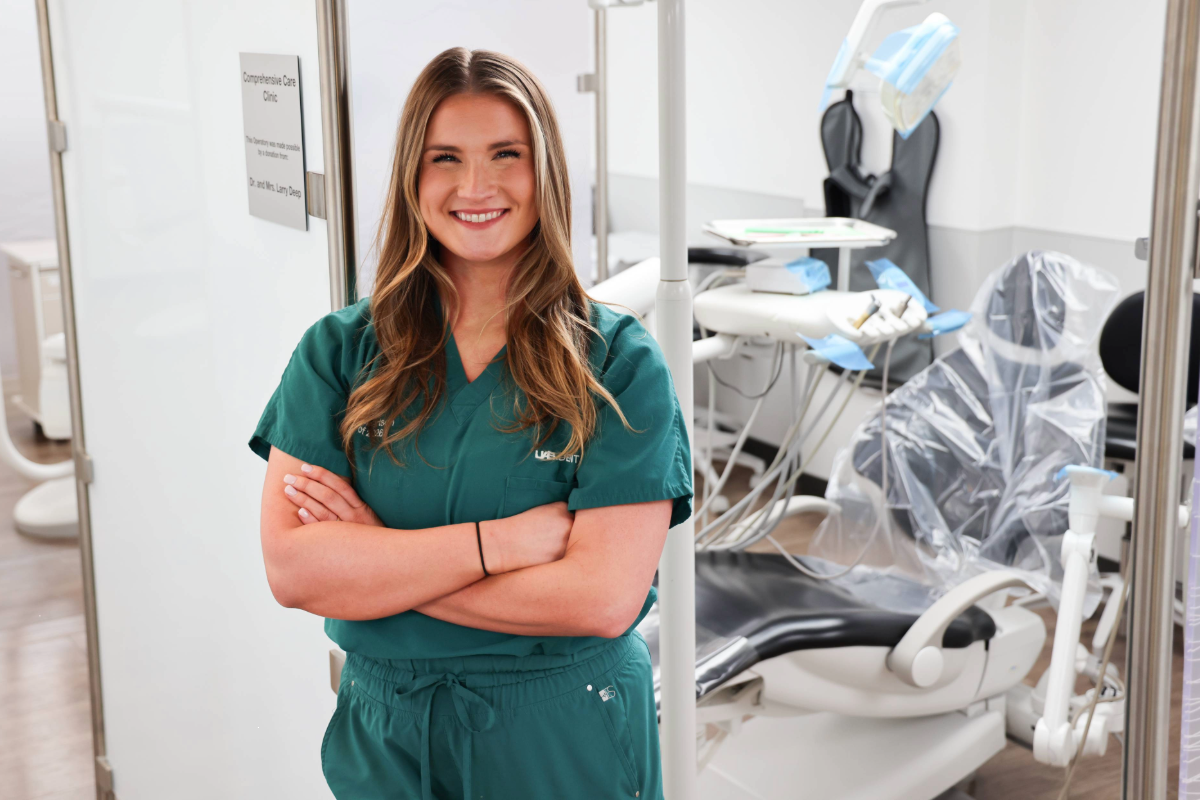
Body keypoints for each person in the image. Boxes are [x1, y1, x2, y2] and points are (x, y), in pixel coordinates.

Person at [249, 47, 691, 800]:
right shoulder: (340, 352)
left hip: (559, 733)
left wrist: (377, 564)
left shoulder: (616, 365)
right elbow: (295, 572)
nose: (475, 186)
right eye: (444, 157)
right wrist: (500, 546)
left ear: (542, 171)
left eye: (505, 156)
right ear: (412, 178)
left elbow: (602, 598)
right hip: (385, 732)